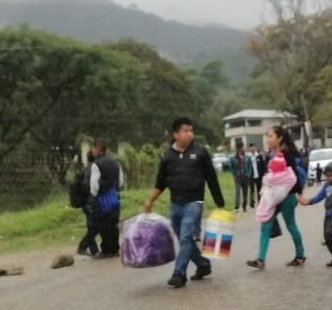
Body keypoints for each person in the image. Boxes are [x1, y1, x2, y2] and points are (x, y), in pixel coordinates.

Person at [144, 117, 226, 289]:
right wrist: (150, 200)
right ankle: (203, 265)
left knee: (186, 236)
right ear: (176, 134)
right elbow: (160, 183)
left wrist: (219, 202)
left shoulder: (200, 152)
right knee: (184, 241)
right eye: (185, 131)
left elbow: (211, 178)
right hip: (175, 204)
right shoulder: (167, 156)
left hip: (194, 202)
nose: (190, 134)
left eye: (191, 130)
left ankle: (179, 274)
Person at [246, 125, 307, 270]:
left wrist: (299, 193)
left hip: (287, 196)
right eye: (267, 136)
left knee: (291, 225)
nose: (268, 139)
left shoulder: (287, 154)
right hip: (272, 196)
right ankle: (260, 260)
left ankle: (300, 255)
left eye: (271, 136)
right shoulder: (270, 153)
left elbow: (294, 176)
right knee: (265, 225)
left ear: (279, 138)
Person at [88, 139, 125, 258]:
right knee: (113, 223)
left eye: (93, 148)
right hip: (114, 197)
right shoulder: (115, 162)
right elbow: (121, 182)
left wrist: (94, 196)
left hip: (101, 199)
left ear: (97, 149)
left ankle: (106, 250)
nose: (92, 151)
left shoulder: (96, 164)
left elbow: (94, 185)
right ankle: (115, 249)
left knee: (103, 224)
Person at [73, 150, 100, 257]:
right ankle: (82, 246)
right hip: (90, 202)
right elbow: (90, 187)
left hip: (85, 202)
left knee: (92, 226)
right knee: (95, 227)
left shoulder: (86, 169)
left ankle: (94, 250)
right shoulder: (91, 170)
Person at [231, 146, 250, 213]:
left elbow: (249, 166)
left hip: (245, 177)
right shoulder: (234, 158)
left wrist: (248, 174)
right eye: (241, 148)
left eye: (243, 148)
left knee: (245, 193)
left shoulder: (247, 157)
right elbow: (231, 167)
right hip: (237, 178)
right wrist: (234, 175)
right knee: (238, 192)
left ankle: (244, 207)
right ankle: (237, 207)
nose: (242, 150)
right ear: (238, 150)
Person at [248, 143, 263, 207]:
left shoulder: (259, 156)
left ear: (255, 148)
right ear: (249, 148)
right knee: (252, 190)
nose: (253, 148)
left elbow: (263, 166)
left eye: (254, 147)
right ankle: (252, 202)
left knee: (259, 189)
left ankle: (260, 202)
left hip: (259, 176)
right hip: (251, 176)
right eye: (251, 147)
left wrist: (262, 174)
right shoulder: (248, 157)